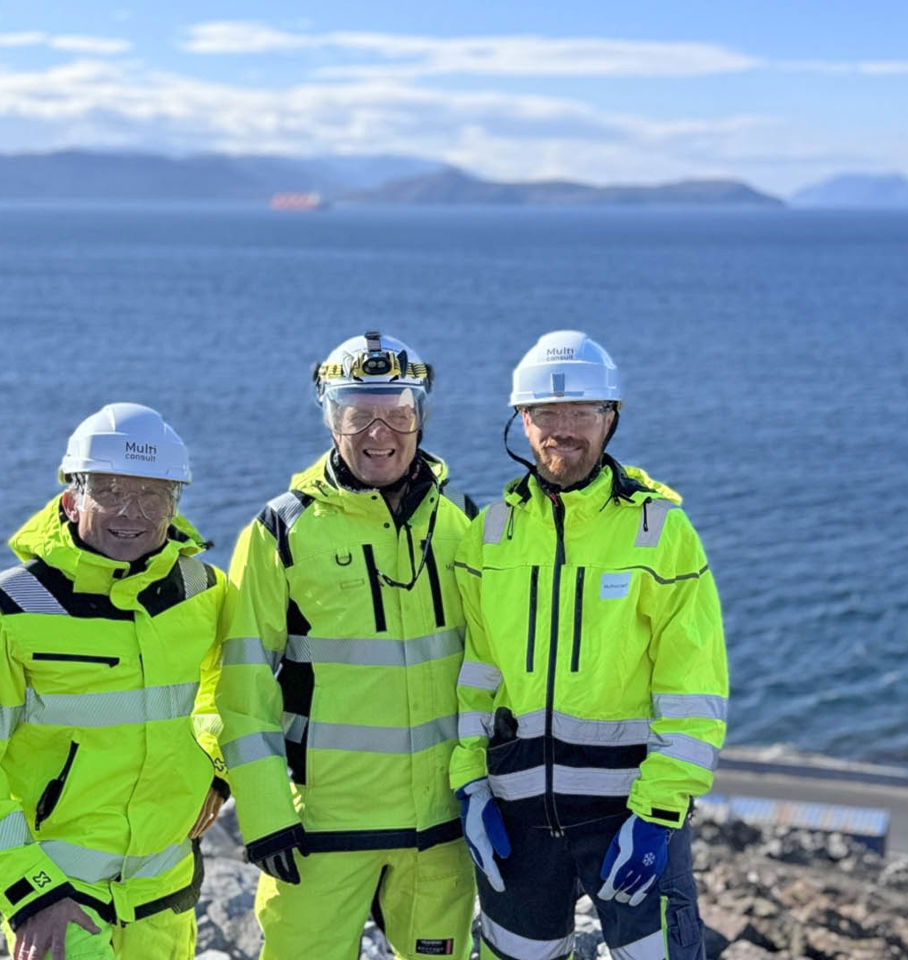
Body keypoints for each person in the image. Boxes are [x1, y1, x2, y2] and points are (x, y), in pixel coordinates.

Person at [451, 331, 728, 960]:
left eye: (583, 412)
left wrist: (658, 815)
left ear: (612, 419)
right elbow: (477, 677)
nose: (563, 430)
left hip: (629, 815)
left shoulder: (661, 531)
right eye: (546, 413)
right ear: (522, 420)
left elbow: (692, 691)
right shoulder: (488, 537)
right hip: (517, 818)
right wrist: (470, 785)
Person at [218, 332, 475, 960]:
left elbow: (496, 669)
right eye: (357, 414)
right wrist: (264, 814)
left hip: (441, 831)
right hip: (319, 831)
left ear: (421, 416)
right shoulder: (280, 532)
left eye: (398, 413)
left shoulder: (462, 521)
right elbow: (238, 684)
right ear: (331, 418)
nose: (378, 434)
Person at [0, 403, 227, 960]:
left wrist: (215, 768)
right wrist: (29, 893)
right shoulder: (14, 607)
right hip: (60, 898)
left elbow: (233, 689)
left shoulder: (205, 590)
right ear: (72, 493)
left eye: (153, 495)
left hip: (165, 895)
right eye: (110, 491)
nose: (133, 513)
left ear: (176, 502)